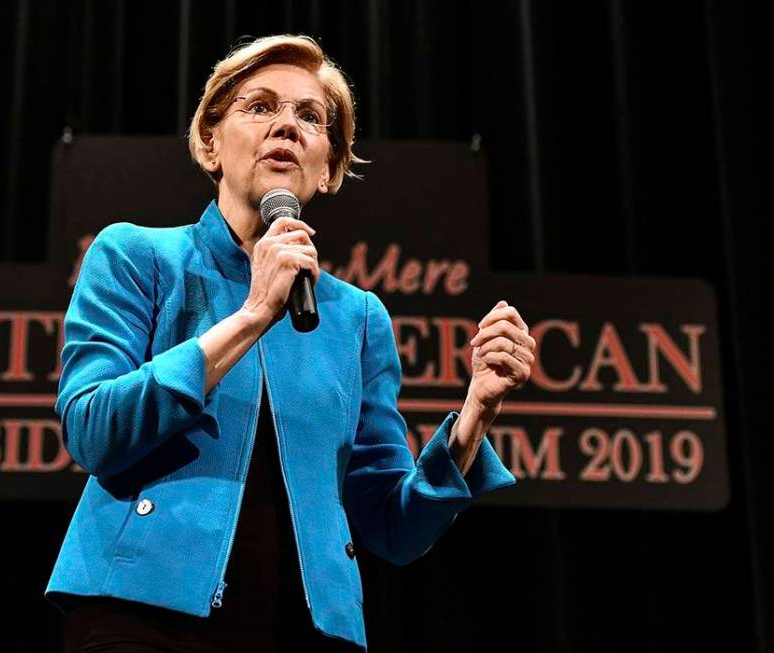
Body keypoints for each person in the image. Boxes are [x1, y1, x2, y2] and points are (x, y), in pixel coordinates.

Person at [45, 34, 535, 652]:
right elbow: (92, 432)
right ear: (209, 143)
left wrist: (476, 414)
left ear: (328, 168)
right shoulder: (138, 255)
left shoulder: (356, 316)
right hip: (143, 616)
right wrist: (253, 314)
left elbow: (392, 527)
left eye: (310, 116)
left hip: (306, 633)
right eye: (260, 106)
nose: (287, 126)